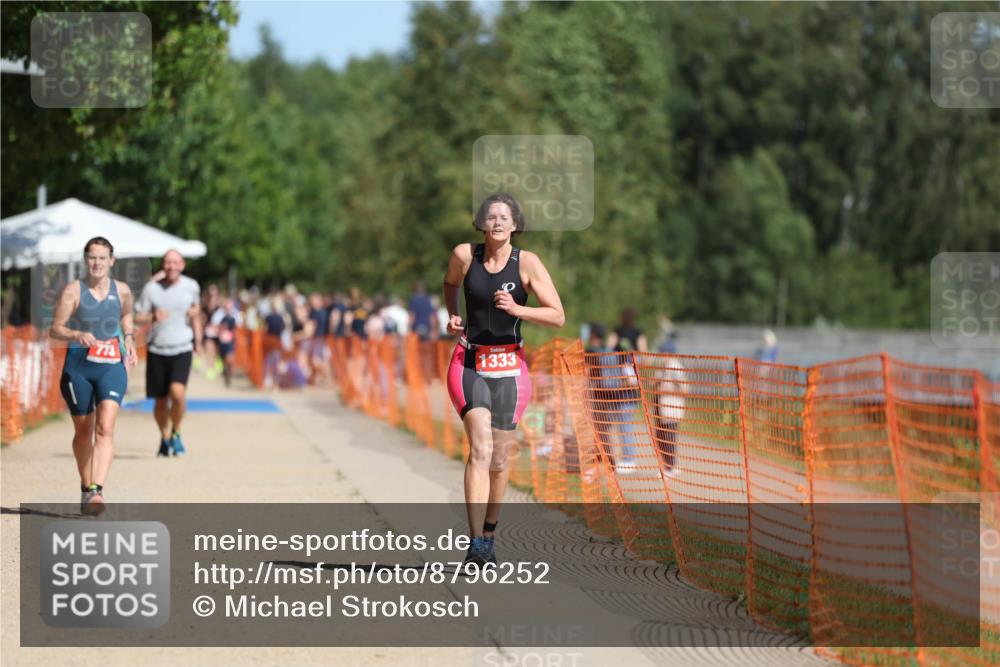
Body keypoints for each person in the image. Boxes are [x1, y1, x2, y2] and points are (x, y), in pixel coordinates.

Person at [443, 192, 565, 568]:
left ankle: (491, 535)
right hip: (469, 363)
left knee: (498, 459)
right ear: (481, 223)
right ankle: (476, 541)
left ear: (515, 225)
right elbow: (450, 285)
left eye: (504, 217)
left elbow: (557, 315)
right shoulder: (465, 256)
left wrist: (517, 308)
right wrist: (452, 314)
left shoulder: (527, 263)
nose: (496, 222)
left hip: (510, 369)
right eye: (490, 217)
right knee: (479, 449)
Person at [49, 237, 138, 514]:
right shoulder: (73, 291)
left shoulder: (122, 290)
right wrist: (76, 334)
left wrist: (130, 338)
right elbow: (56, 329)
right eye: (92, 257)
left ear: (111, 260)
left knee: (105, 428)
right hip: (78, 366)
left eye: (102, 258)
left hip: (111, 365)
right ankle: (85, 485)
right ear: (85, 260)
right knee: (83, 431)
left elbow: (126, 317)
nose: (97, 263)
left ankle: (96, 490)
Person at [134, 249, 202, 457]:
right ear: (163, 265)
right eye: (167, 262)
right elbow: (138, 316)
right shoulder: (151, 288)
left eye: (176, 262)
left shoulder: (191, 286)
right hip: (157, 348)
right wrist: (153, 317)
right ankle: (164, 437)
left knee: (178, 393)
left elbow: (196, 312)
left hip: (182, 346)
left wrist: (198, 339)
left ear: (182, 265)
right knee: (160, 400)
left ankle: (177, 432)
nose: (171, 266)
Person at [585, 322, 643, 475]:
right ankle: (608, 458)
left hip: (612, 397)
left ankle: (621, 460)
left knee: (613, 429)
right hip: (614, 397)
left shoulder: (600, 353)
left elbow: (630, 381)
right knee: (609, 429)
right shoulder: (613, 355)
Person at [209, 297, 242, 387]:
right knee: (223, 359)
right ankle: (225, 372)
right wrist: (220, 329)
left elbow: (240, 327)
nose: (228, 307)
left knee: (230, 358)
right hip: (221, 341)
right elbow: (214, 326)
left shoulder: (236, 314)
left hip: (231, 341)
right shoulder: (219, 314)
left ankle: (229, 374)